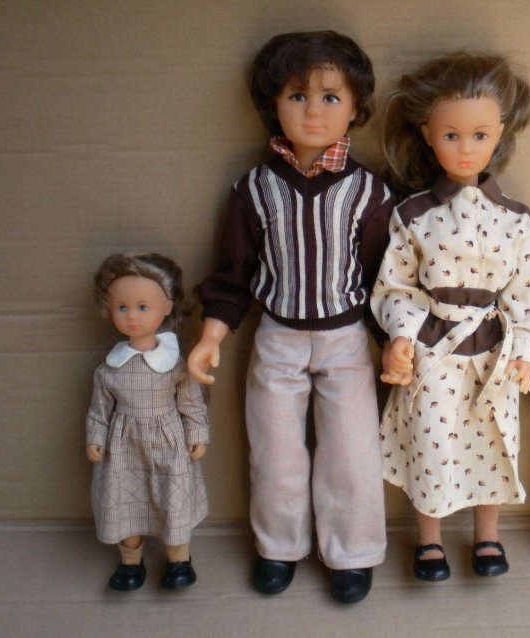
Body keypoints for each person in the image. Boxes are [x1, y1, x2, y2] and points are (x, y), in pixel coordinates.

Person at [188, 31, 393, 604]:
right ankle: (278, 546)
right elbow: (233, 272)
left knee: (351, 452)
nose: (313, 110)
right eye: (297, 95)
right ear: (272, 104)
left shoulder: (369, 193)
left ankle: (352, 552)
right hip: (276, 337)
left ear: (356, 107)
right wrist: (211, 334)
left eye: (331, 97)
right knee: (275, 452)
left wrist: (396, 340)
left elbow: (385, 278)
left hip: (345, 339)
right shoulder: (253, 189)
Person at [372, 52, 530, 581]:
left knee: (493, 442)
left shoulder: (519, 220)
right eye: (451, 135)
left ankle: (487, 536)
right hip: (434, 352)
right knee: (431, 443)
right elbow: (397, 285)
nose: (465, 148)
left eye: (479, 135)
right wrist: (401, 335)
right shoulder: (412, 215)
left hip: (493, 353)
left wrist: (525, 348)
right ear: (427, 134)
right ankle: (429, 539)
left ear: (500, 134)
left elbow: (527, 291)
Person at [86, 252, 209, 591]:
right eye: (122, 307)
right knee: (125, 500)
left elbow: (191, 402)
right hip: (123, 446)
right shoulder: (109, 368)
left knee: (173, 499)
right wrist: (95, 436)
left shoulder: (175, 364)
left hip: (168, 441)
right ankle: (131, 563)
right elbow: (99, 409)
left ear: (167, 306)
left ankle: (179, 561)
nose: (131, 316)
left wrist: (197, 433)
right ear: (108, 308)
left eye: (143, 307)